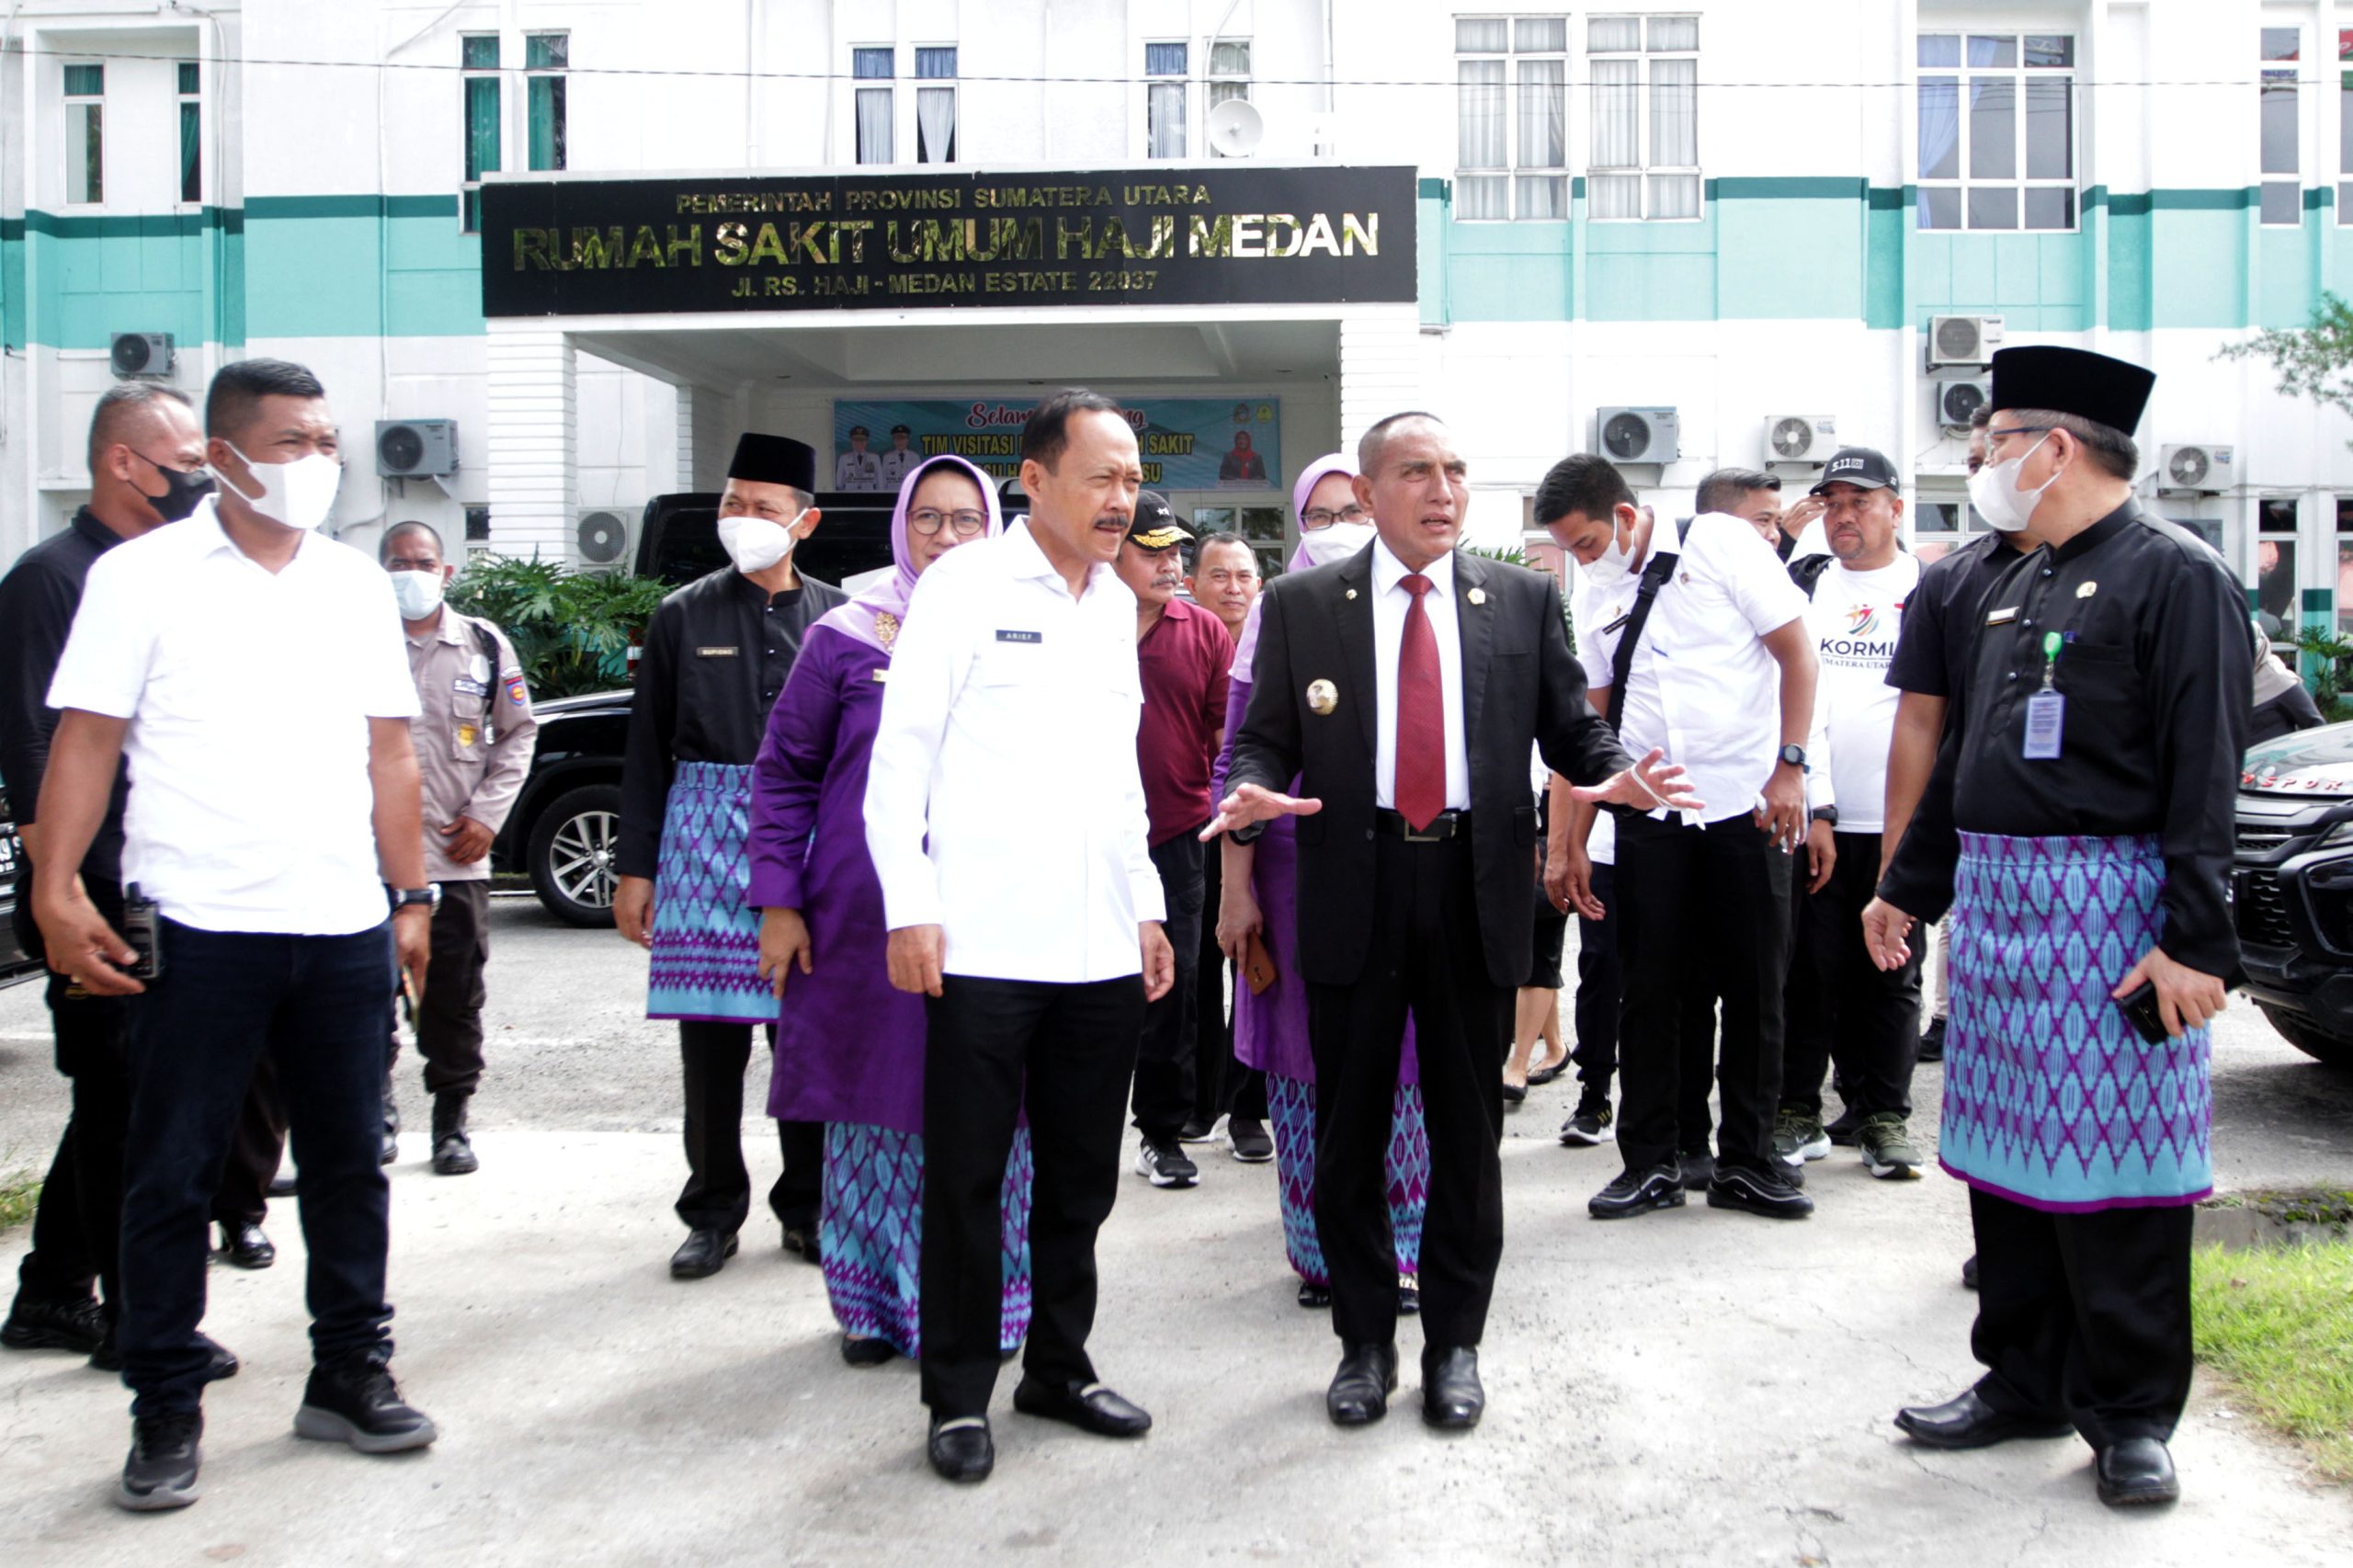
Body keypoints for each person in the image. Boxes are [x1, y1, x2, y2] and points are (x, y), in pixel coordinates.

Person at [1210, 414, 1695, 1433]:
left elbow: (1572, 721)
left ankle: (1455, 1344)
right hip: (1354, 889)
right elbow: (1260, 739)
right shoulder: (1305, 605)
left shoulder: (1520, 598)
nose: (1443, 490)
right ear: (1374, 491)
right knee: (1348, 1133)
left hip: (1474, 889)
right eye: (1417, 472)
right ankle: (1362, 1342)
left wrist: (1615, 773)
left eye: (1456, 471)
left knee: (1467, 1137)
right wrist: (1252, 793)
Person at [32, 358, 440, 1510]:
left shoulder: (355, 585)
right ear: (220, 455)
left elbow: (389, 752)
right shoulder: (141, 577)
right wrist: (56, 886)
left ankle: (349, 1368)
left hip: (340, 919)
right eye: (292, 442)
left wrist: (412, 898)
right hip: (201, 924)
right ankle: (164, 1403)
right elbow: (87, 739)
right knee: (173, 1170)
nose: (317, 462)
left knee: (353, 1161)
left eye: (325, 442)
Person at [1868, 346, 2249, 1508]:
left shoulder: (2175, 575)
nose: (1980, 462)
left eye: (1991, 441)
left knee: (2120, 1178)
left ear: (2056, 447)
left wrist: (2193, 939)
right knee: (2009, 1173)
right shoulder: (2005, 578)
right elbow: (1968, 759)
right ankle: (2019, 1379)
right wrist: (1906, 884)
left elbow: (2205, 772)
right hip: (2000, 910)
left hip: (2114, 913)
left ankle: (2131, 1416)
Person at [864, 389, 1174, 1485]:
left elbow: (1120, 775)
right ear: (1035, 480)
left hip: (1096, 945)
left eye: (1132, 479)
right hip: (984, 944)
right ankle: (956, 1392)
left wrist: (1146, 902)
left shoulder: (1110, 602)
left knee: (1082, 1178)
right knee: (967, 1177)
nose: (1121, 499)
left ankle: (1058, 1362)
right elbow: (898, 759)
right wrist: (910, 902)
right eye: (1102, 477)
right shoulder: (965, 585)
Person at [0, 384, 278, 1371]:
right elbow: (36, 750)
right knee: (126, 1102)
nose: (202, 483)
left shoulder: (163, 572)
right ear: (124, 463)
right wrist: (64, 894)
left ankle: (50, 1291)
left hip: (167, 883)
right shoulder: (55, 577)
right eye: (186, 464)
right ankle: (130, 1317)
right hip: (98, 890)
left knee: (123, 1097)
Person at [747, 454, 1021, 1367]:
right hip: (862, 921)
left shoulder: (1022, 626)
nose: (946, 538)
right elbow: (785, 774)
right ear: (900, 527)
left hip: (992, 916)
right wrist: (779, 901)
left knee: (989, 1105)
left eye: (966, 520)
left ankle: (990, 1304)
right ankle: (871, 1302)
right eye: (928, 519)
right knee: (873, 1107)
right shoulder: (846, 636)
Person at [1542, 452, 1820, 1224]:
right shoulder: (1595, 587)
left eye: (1590, 543)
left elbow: (1798, 654)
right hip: (1649, 821)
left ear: (1626, 516)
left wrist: (1792, 770)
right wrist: (1569, 841)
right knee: (1654, 994)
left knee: (1756, 989)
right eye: (1570, 549)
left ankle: (1749, 1161)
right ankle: (1655, 1161)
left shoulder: (1724, 545)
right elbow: (1587, 724)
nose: (1582, 559)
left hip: (1748, 810)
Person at [617, 432, 845, 1280]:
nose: (743, 520)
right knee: (710, 1043)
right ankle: (711, 1210)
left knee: (805, 1037)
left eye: (763, 508)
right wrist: (636, 870)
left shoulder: (837, 617)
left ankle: (809, 1206)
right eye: (731, 503)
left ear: (805, 521)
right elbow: (645, 751)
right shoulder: (682, 614)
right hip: (701, 839)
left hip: (808, 844)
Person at [1215, 455, 1430, 1312]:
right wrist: (1238, 890)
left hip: (1404, 871)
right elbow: (1241, 763)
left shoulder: (1415, 612)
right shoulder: (1276, 617)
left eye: (1354, 508)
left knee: (1408, 1058)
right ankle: (1323, 1252)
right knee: (1309, 1064)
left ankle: (1404, 1247)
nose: (1341, 525)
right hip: (1293, 875)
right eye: (1323, 511)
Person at [1768, 449, 1926, 1181]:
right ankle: (1797, 1106)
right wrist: (1819, 808)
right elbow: (1802, 706)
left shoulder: (1933, 588)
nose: (1843, 516)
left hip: (1902, 825)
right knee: (1810, 969)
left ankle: (1882, 1113)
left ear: (1896, 506)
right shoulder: (1800, 584)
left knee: (1891, 973)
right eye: (1832, 503)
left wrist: (1913, 832)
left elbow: (1936, 717)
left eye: (1860, 501)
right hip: (1818, 821)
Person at [380, 520, 538, 1176]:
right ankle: (377, 1117)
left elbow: (518, 734)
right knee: (365, 999)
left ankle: (451, 1122)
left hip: (455, 855)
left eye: (424, 561)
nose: (412, 571)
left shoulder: (482, 646)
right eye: (398, 561)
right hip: (369, 862)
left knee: (453, 999)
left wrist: (488, 816)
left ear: (447, 572)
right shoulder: (354, 644)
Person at [1120, 492, 1235, 1187]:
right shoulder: (1076, 623)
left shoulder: (1202, 632)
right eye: (1152, 550)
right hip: (1081, 838)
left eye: (1176, 551)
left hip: (1175, 836)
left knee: (1176, 983)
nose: (1171, 565)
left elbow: (1226, 740)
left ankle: (1162, 1131)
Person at [1904, 405, 1998, 1075]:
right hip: (1964, 827)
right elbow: (1923, 726)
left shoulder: (2164, 569)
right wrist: (1900, 872)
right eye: (1970, 465)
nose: (1982, 478)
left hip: (2093, 886)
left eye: (1992, 459)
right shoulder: (1951, 581)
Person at [1180, 530, 1267, 1153]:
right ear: (1193, 583)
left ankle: (1247, 1106)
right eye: (1219, 575)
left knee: (1254, 962)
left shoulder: (1278, 645)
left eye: (1244, 576)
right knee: (1196, 967)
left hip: (1256, 829)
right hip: (1187, 828)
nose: (1233, 588)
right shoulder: (1176, 641)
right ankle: (1200, 1097)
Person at [835, 426, 882, 491]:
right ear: (851, 441)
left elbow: (880, 481)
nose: (859, 443)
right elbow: (839, 483)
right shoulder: (844, 458)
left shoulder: (875, 458)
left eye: (862, 440)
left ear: (867, 441)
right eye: (856, 440)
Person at [878, 424, 920, 491]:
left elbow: (918, 478)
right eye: (897, 439)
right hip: (890, 493)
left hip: (908, 493)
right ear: (893, 440)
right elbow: (883, 479)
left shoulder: (915, 457)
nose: (900, 442)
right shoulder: (887, 457)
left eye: (903, 439)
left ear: (908, 440)